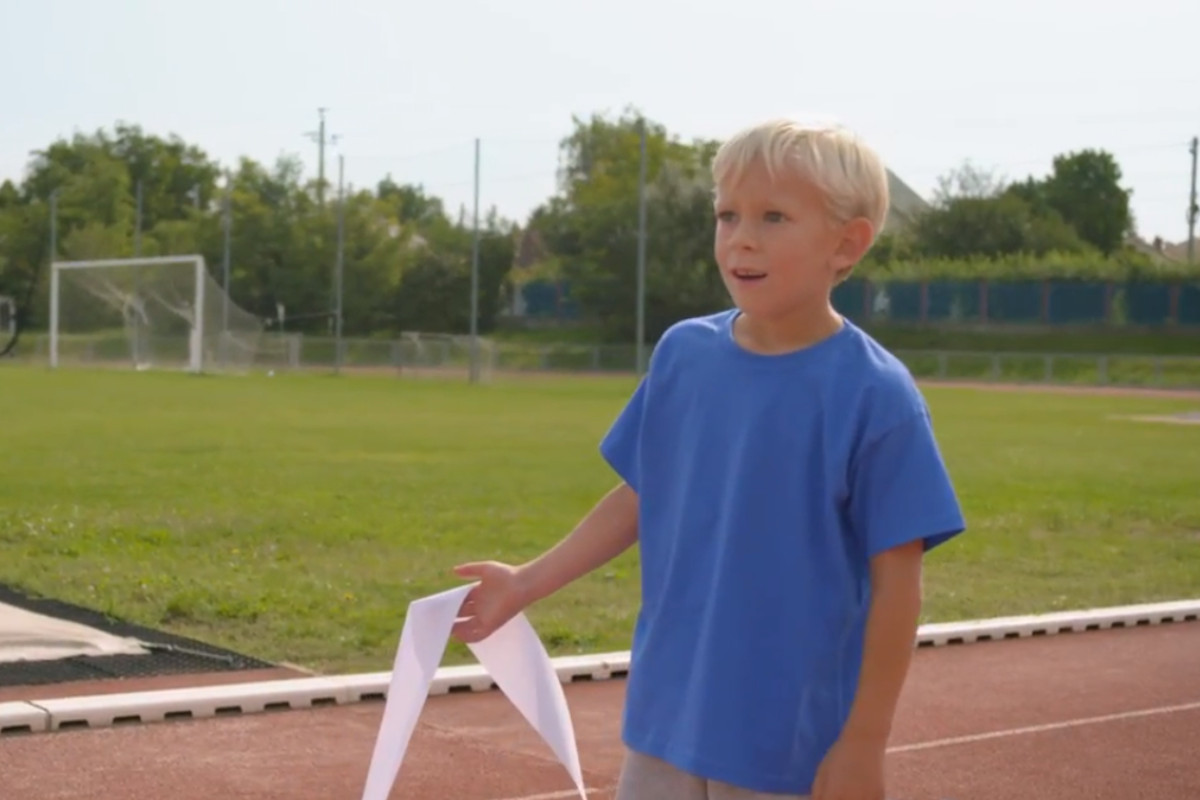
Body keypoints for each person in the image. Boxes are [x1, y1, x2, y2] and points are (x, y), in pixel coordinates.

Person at [450, 118, 966, 800]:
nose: (741, 237)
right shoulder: (683, 356)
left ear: (848, 244)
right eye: (728, 215)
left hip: (788, 742)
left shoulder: (877, 396)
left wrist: (864, 742)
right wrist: (525, 582)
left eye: (774, 216)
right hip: (666, 717)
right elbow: (640, 496)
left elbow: (898, 587)